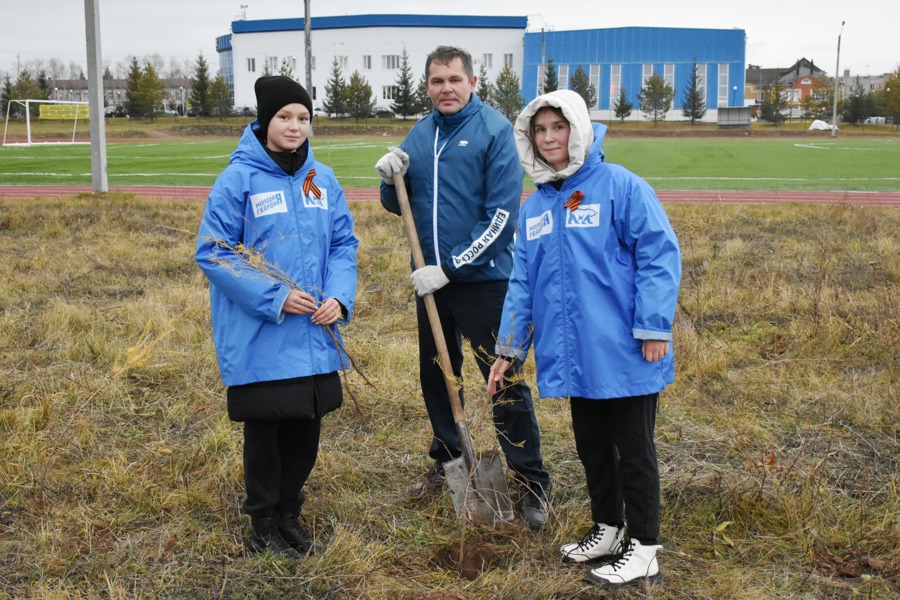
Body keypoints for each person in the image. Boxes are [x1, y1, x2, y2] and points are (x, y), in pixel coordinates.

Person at [487, 90, 681, 589]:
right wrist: (509, 348)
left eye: (559, 127)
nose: (550, 138)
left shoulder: (619, 186)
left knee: (633, 450)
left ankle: (644, 547)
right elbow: (523, 283)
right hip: (576, 357)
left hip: (627, 349)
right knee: (592, 446)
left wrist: (655, 326)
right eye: (540, 131)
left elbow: (658, 255)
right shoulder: (536, 207)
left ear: (579, 130)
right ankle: (609, 530)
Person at [374, 45, 551, 529]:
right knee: (437, 374)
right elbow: (401, 203)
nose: (446, 88)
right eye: (437, 81)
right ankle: (449, 459)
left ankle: (531, 481)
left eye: (454, 79)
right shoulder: (421, 133)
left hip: (483, 282)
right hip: (430, 285)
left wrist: (450, 268)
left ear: (473, 82)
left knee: (503, 380)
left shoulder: (494, 132)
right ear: (427, 86)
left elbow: (500, 220)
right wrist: (390, 182)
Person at [195, 75, 359, 559]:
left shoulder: (321, 179)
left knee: (307, 427)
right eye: (285, 117)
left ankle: (290, 512)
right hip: (264, 333)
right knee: (268, 429)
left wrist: (339, 298)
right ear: (266, 121)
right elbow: (214, 252)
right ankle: (263, 521)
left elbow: (343, 244)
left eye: (303, 118)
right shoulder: (238, 179)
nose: (295, 126)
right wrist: (274, 297)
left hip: (315, 332)